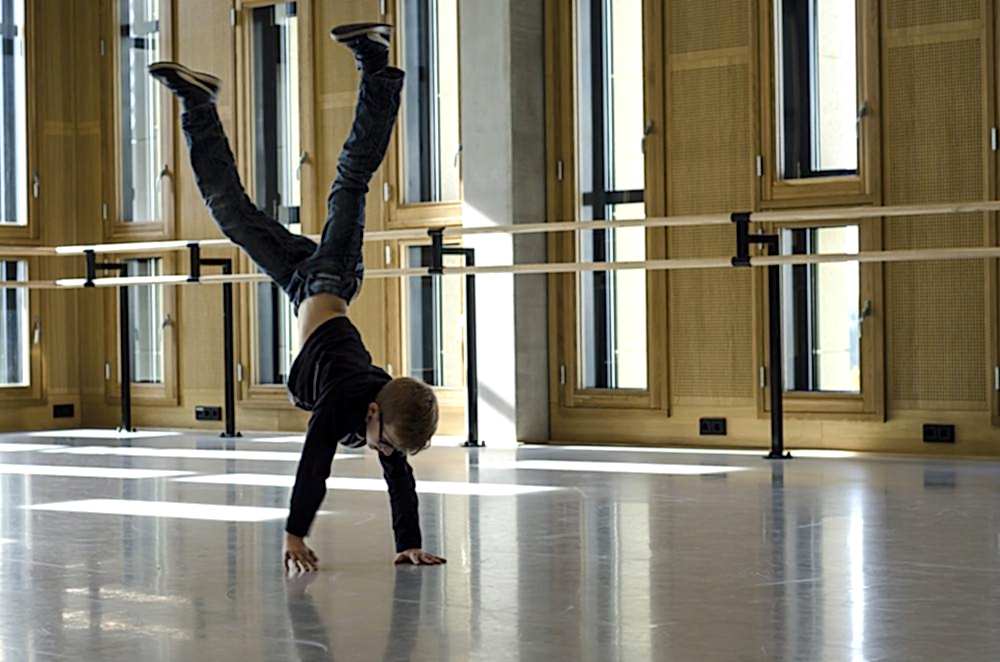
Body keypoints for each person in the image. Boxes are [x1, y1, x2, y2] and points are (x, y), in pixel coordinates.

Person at [148, 23, 445, 572]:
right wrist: (294, 533)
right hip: (331, 277)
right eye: (384, 442)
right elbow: (314, 467)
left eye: (389, 449)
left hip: (297, 282)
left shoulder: (387, 422)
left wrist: (407, 541)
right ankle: (376, 68)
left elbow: (400, 477)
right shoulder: (342, 406)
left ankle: (199, 104)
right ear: (374, 410)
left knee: (232, 214)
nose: (384, 454)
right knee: (350, 180)